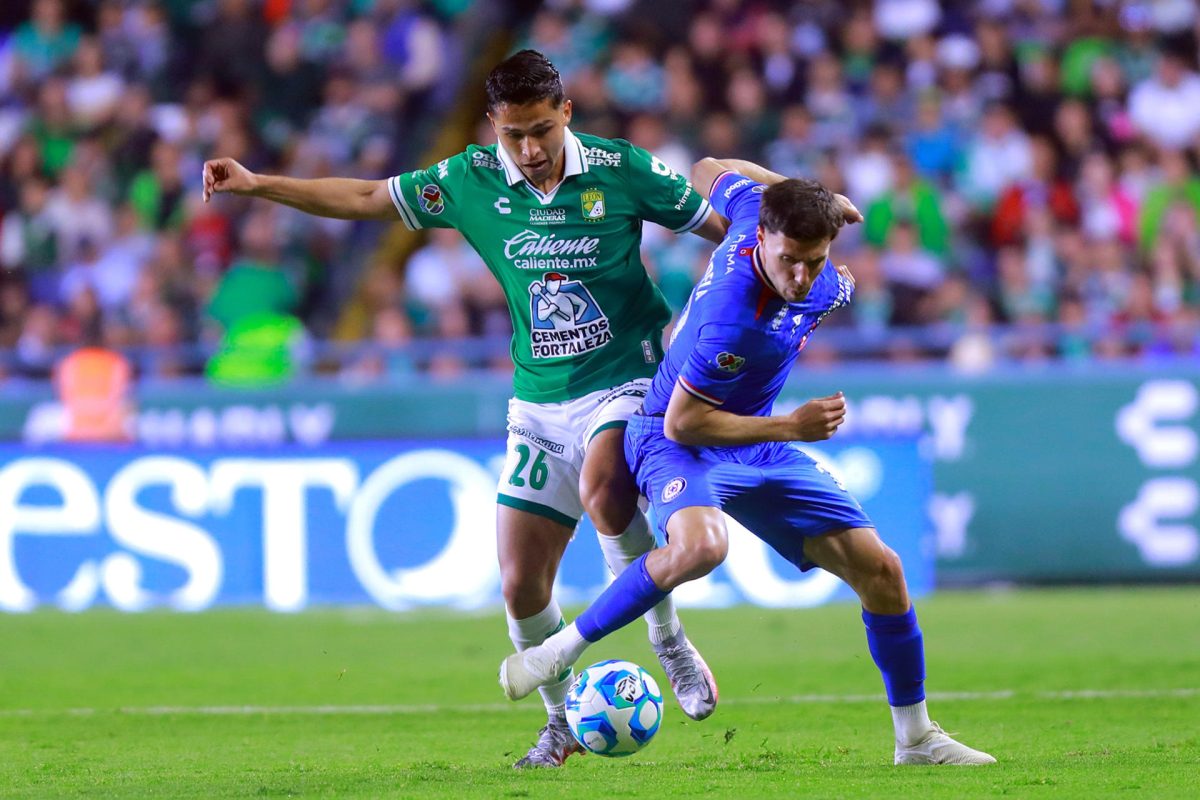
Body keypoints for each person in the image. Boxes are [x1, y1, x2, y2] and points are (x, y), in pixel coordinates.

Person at [201, 50, 730, 769]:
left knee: (607, 486)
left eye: (543, 128)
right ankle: (560, 723)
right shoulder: (468, 180)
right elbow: (366, 200)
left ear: (567, 112)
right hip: (539, 402)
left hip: (624, 383)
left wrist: (798, 265)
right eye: (516, 135)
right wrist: (261, 185)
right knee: (519, 583)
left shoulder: (622, 167)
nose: (532, 148)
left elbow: (725, 230)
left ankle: (667, 637)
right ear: (494, 126)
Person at [499, 159, 997, 766]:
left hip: (754, 441)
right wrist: (795, 425)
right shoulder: (733, 320)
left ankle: (916, 740)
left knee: (884, 574)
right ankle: (560, 651)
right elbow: (685, 421)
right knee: (703, 547)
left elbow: (711, 167)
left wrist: (814, 195)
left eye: (814, 261)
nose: (800, 276)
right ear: (763, 238)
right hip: (672, 438)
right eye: (789, 259)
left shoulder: (756, 218)